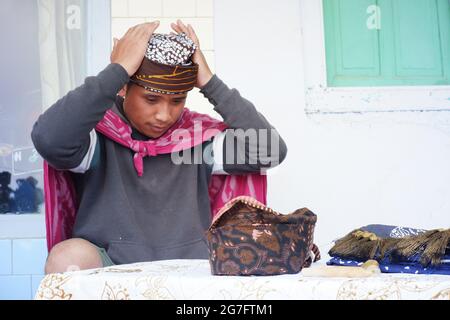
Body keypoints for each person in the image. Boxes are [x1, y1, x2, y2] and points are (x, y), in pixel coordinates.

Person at [31, 20, 287, 274]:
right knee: (67, 257)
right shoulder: (97, 138)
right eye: (151, 99)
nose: (164, 115)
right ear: (123, 87)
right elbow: (49, 139)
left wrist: (209, 82)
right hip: (111, 268)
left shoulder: (196, 139)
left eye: (177, 100)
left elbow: (270, 151)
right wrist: (117, 70)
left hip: (189, 271)